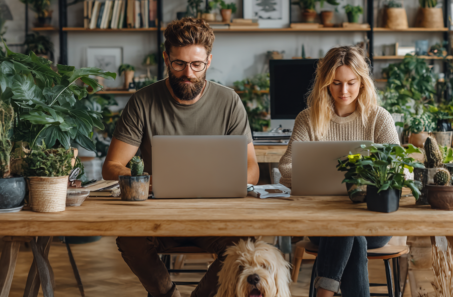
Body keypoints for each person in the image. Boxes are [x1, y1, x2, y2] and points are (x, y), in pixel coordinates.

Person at [102, 18, 260, 297]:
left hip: (213, 216)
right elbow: (112, 166)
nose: (188, 72)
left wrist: (214, 186)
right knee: (129, 239)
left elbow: (251, 170)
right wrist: (145, 183)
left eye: (196, 64)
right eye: (179, 64)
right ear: (166, 58)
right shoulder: (143, 101)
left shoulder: (229, 102)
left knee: (244, 243)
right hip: (156, 215)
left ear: (209, 61)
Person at [279, 46, 400, 297]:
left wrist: (366, 183)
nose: (343, 91)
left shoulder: (379, 119)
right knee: (348, 231)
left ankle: (324, 292)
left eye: (351, 83)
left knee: (348, 229)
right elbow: (286, 168)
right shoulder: (308, 119)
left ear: (363, 83)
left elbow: (400, 170)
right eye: (335, 83)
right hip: (320, 221)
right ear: (325, 84)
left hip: (374, 221)